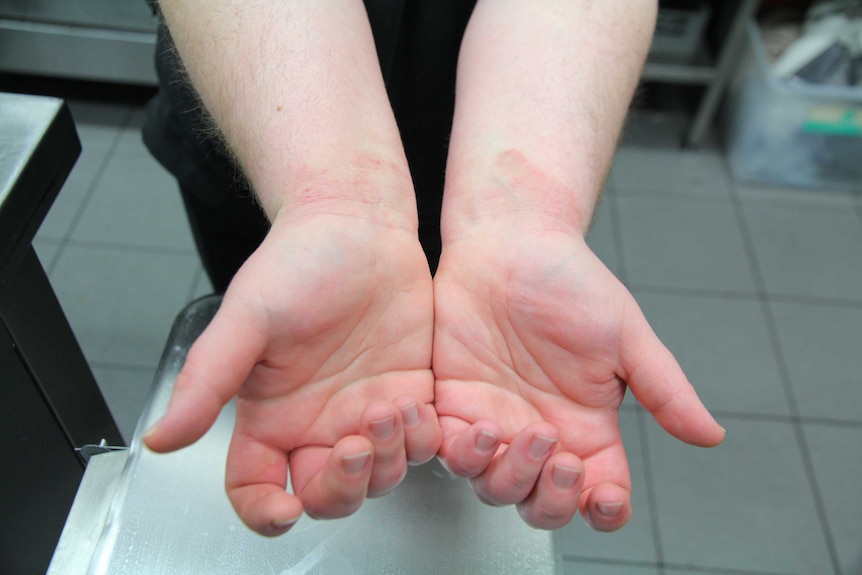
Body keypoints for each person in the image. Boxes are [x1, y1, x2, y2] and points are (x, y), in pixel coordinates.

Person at [141, 0, 726, 537]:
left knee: (475, 417)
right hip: (273, 120)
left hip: (525, 138)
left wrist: (522, 217)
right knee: (304, 362)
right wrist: (335, 200)